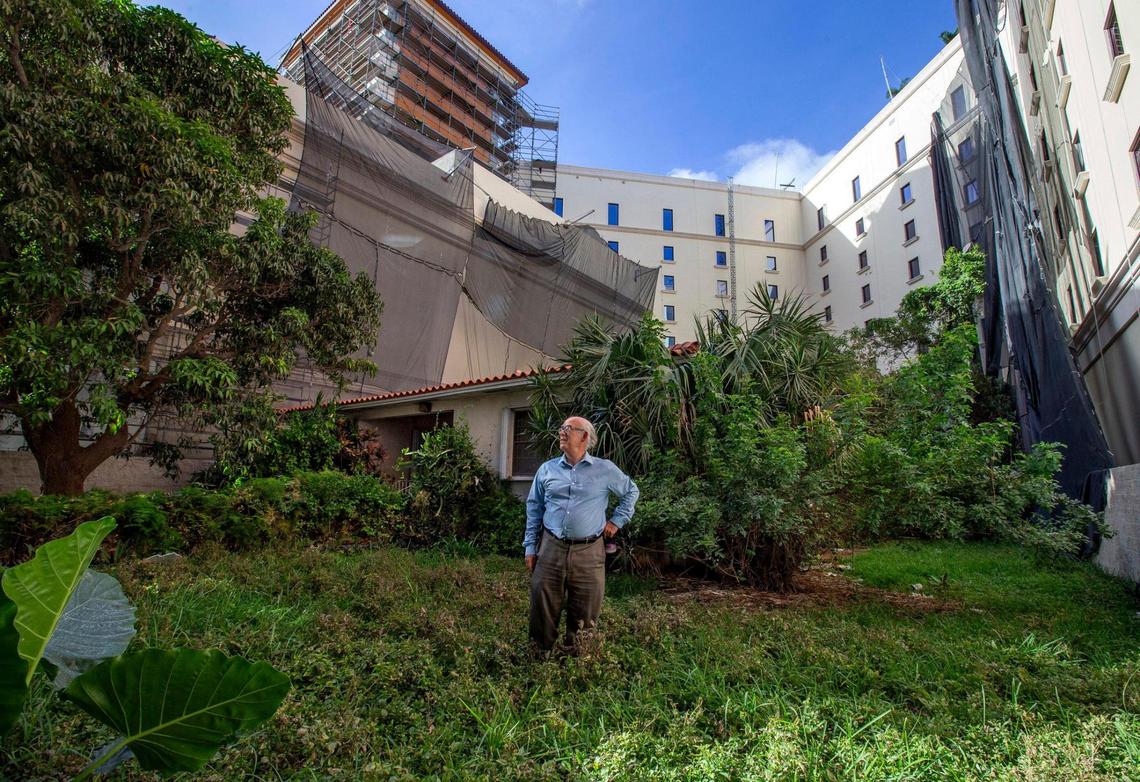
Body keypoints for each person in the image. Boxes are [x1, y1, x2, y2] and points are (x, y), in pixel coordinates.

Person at [524, 416, 639, 652]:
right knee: (542, 606)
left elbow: (631, 491)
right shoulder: (547, 469)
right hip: (550, 548)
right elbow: (534, 508)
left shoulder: (605, 469)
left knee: (585, 611)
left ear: (584, 436)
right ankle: (538, 657)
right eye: (561, 428)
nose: (561, 432)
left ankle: (576, 660)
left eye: (568, 428)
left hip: (589, 551)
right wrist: (530, 547)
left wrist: (616, 521)